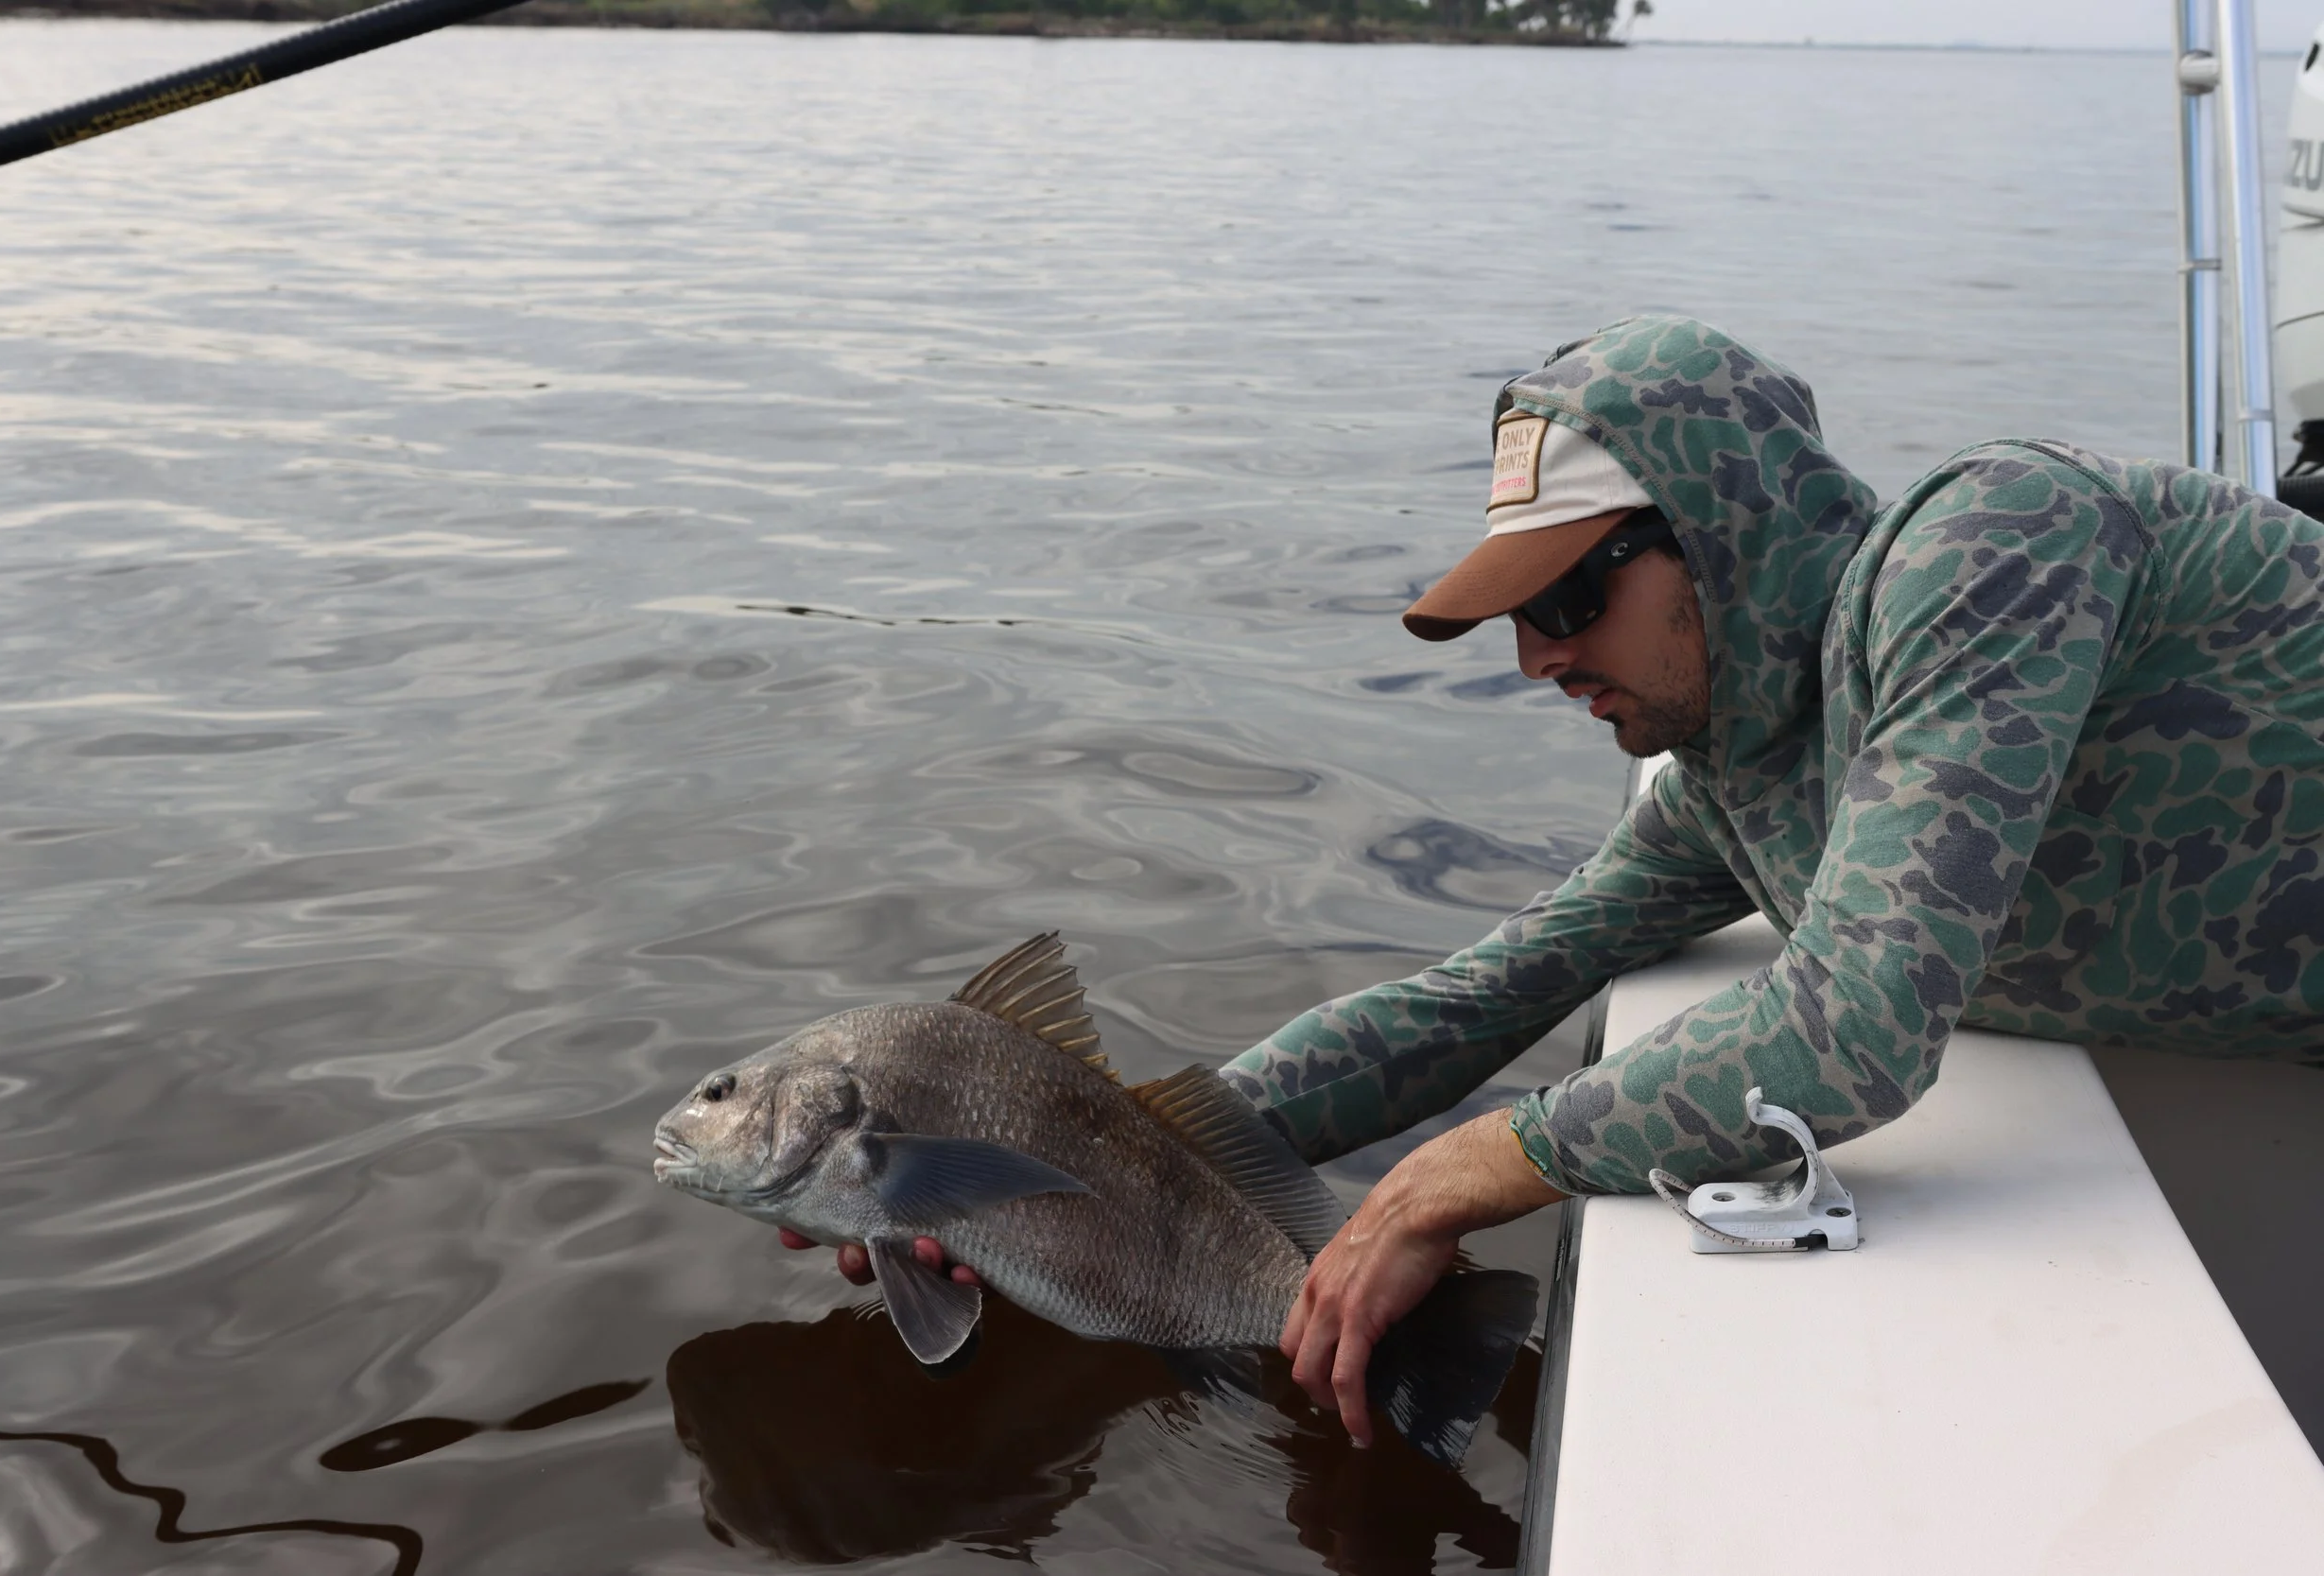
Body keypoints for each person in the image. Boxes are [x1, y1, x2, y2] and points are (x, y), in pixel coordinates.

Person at [797, 313, 2324, 1451]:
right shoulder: (1741, 778)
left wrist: (1459, 1173)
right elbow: (1480, 993)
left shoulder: (1987, 549)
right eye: (1515, 622)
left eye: (1572, 596)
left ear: (1721, 542)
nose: (1538, 660)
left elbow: (1854, 1026)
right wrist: (1041, 1165)